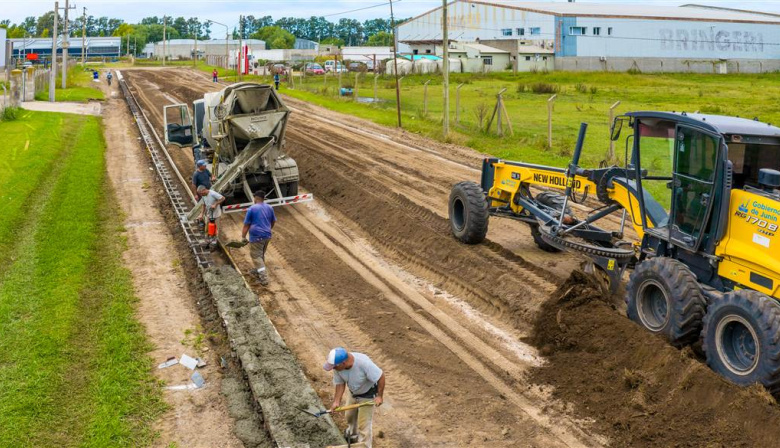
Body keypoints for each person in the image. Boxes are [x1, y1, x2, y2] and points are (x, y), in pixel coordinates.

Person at [324, 347, 385, 448]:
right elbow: (340, 383)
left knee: (364, 425)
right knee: (349, 416)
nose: (333, 369)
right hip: (354, 393)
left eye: (334, 367)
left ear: (343, 363)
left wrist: (380, 396)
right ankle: (352, 436)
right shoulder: (338, 367)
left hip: (368, 395)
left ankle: (364, 445)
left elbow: (381, 376)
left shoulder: (363, 364)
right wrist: (336, 402)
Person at [241, 191, 277, 286]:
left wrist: (243, 237)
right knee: (260, 255)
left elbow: (246, 225)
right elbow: (273, 221)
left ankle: (263, 278)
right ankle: (258, 270)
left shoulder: (252, 209)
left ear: (255, 198)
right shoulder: (269, 207)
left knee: (256, 257)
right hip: (267, 235)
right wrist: (268, 229)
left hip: (256, 236)